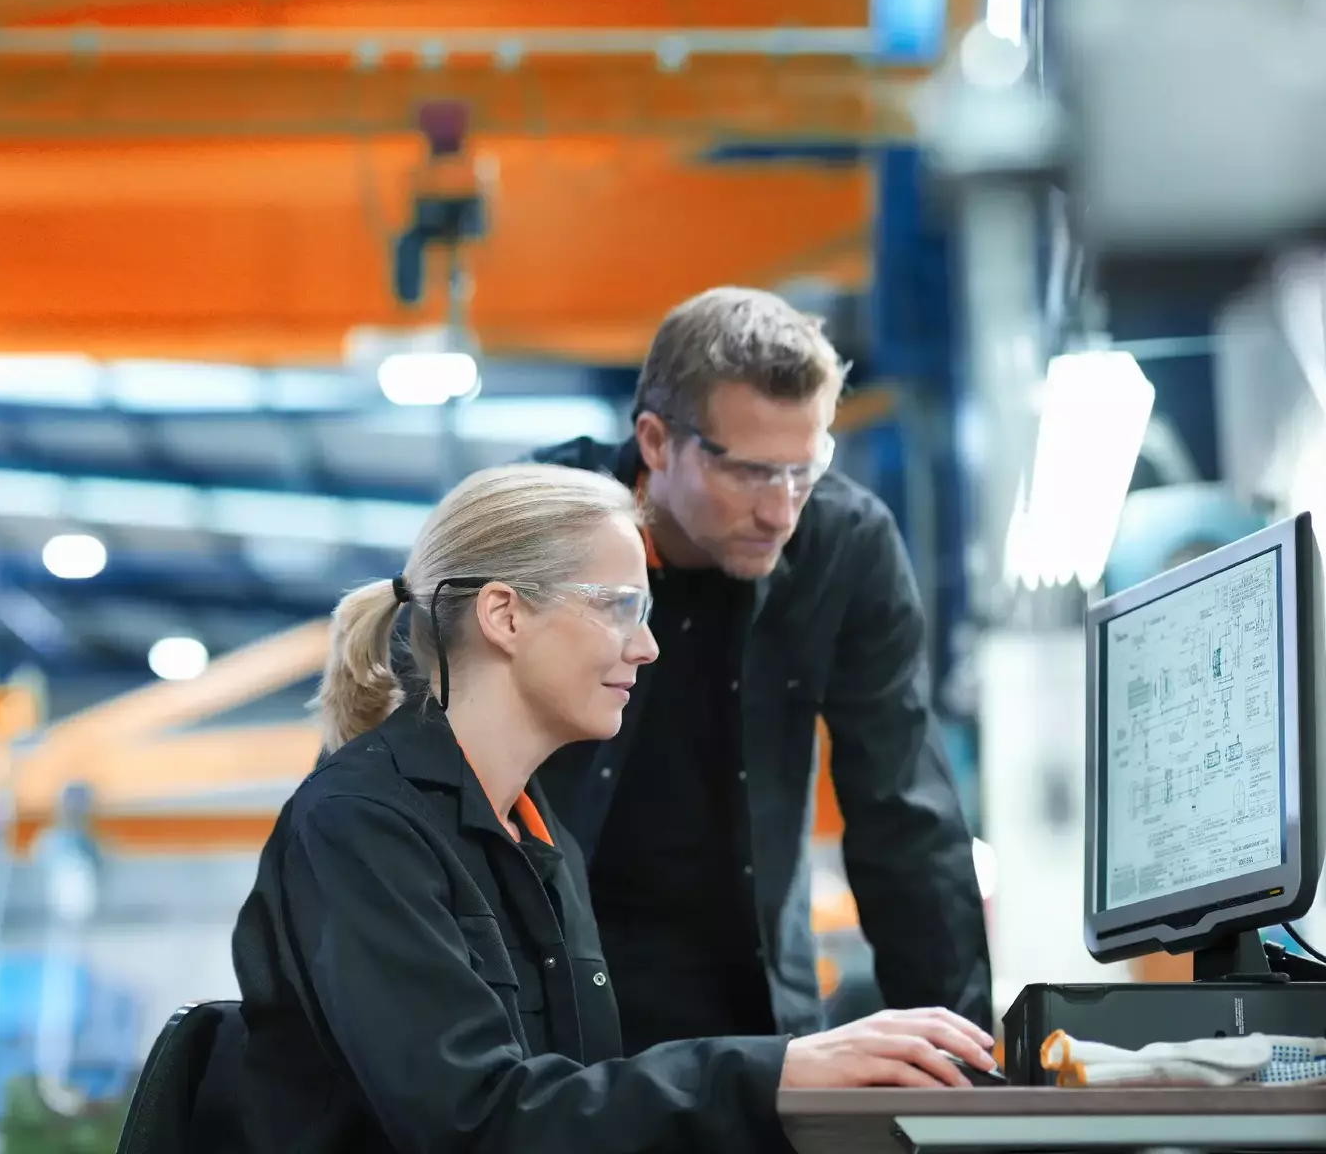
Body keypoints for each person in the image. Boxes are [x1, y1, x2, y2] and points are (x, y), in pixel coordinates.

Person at [224, 463, 998, 1154]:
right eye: (620, 607)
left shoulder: (533, 836)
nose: (648, 646)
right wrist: (781, 1068)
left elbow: (573, 1107)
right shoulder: (361, 829)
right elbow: (476, 1123)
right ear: (504, 616)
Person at [535, 287, 992, 1053]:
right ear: (655, 441)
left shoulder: (845, 547)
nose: (782, 511)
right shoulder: (537, 529)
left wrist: (968, 1060)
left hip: (748, 1022)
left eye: (804, 471)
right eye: (750, 473)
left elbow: (904, 819)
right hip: (551, 1016)